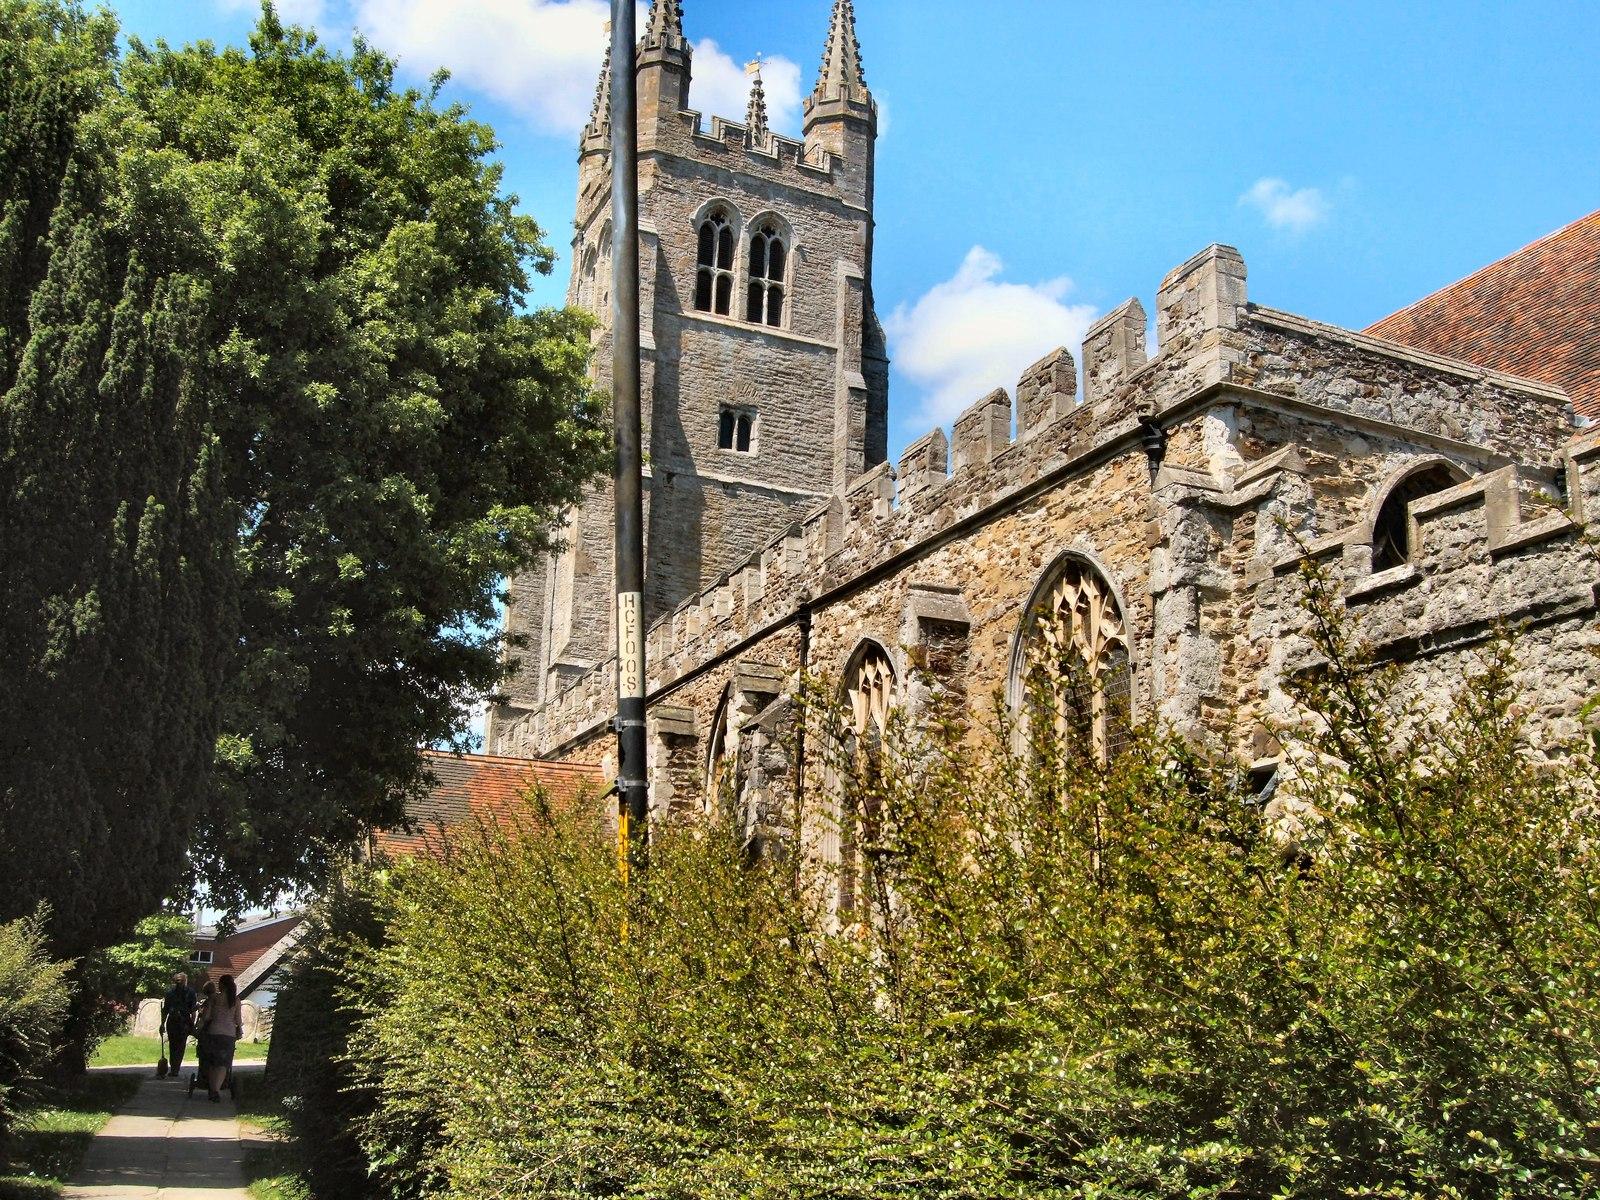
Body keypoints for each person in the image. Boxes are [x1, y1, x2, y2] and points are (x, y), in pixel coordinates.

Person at [199, 974, 243, 1102]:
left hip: (214, 1032)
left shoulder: (214, 998)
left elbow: (207, 1017)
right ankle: (216, 1090)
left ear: (222, 985)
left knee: (213, 1063)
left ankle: (212, 1089)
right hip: (228, 1034)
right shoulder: (236, 1000)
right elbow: (238, 1020)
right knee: (223, 1064)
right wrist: (238, 1028)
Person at [158, 972, 197, 1079]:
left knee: (173, 1045)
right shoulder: (191, 992)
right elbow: (193, 1011)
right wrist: (192, 1024)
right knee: (181, 1046)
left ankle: (174, 1067)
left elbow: (165, 1010)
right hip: (184, 1021)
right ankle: (175, 1068)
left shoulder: (169, 993)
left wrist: (162, 1024)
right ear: (185, 981)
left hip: (172, 1021)